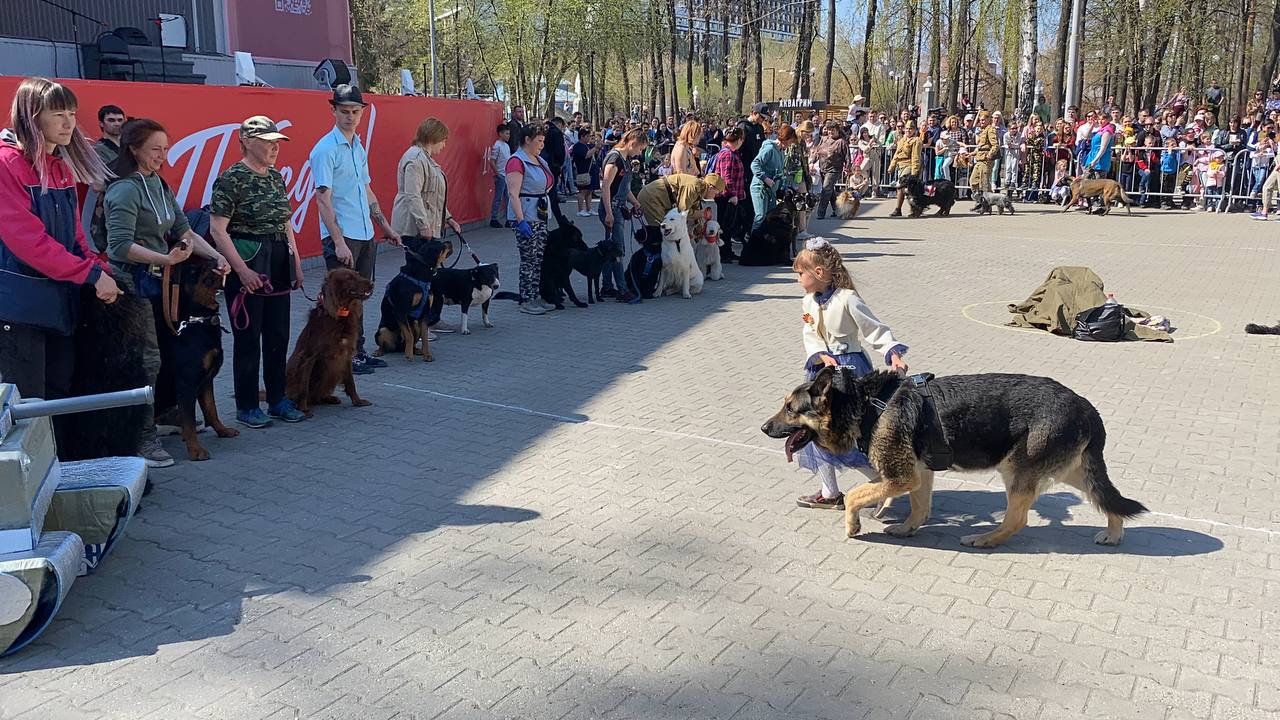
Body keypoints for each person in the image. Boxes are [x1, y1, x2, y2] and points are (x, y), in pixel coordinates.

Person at [0, 77, 120, 449]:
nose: (70, 122)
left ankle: (62, 481)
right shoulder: (6, 164)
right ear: (32, 117)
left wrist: (99, 268)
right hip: (19, 309)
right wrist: (88, 273)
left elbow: (74, 234)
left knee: (59, 393)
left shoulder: (61, 166)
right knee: (27, 404)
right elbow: (29, 243)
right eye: (59, 114)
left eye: (71, 113)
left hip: (57, 304)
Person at [104, 118, 230, 466]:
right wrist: (164, 256)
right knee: (147, 360)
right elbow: (118, 247)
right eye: (156, 149)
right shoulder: (125, 189)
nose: (163, 155)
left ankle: (168, 413)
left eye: (165, 148)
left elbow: (184, 230)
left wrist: (216, 255)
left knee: (167, 353)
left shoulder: (157, 184)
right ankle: (143, 439)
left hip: (161, 282)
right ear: (133, 149)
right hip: (131, 286)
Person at [791, 237, 907, 510]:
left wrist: (893, 352)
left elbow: (874, 329)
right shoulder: (808, 301)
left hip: (850, 370)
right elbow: (809, 332)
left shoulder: (847, 299)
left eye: (799, 273)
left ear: (818, 273)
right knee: (815, 429)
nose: (797, 279)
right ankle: (829, 492)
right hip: (821, 372)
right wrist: (818, 353)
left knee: (852, 432)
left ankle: (883, 482)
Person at [208, 116, 306, 429]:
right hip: (249, 260)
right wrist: (242, 270)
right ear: (248, 142)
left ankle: (277, 398)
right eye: (267, 141)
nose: (275, 147)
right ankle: (247, 405)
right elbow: (218, 230)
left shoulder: (275, 177)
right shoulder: (231, 178)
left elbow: (285, 222)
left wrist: (297, 262)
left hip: (278, 259)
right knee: (248, 338)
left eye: (277, 141)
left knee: (278, 334)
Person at [309, 84, 399, 376]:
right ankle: (339, 355)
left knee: (358, 298)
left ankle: (357, 351)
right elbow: (323, 198)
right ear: (333, 111)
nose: (350, 117)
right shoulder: (325, 149)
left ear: (362, 113)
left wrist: (385, 226)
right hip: (343, 235)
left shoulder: (357, 146)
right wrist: (338, 241)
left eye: (355, 111)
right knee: (339, 302)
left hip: (364, 234)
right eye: (344, 111)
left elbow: (366, 189)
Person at [506, 125, 555, 315]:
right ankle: (526, 298)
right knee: (528, 258)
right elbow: (513, 193)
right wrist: (520, 220)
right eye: (539, 141)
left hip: (540, 213)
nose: (542, 145)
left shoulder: (539, 160)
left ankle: (535, 295)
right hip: (526, 214)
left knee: (538, 258)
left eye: (543, 141)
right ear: (527, 140)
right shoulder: (516, 161)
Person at [597, 128, 646, 302]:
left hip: (618, 206)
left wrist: (635, 203)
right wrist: (609, 213)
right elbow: (606, 188)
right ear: (632, 143)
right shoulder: (614, 158)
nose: (640, 153)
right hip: (611, 208)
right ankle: (622, 289)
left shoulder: (625, 159)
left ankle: (607, 286)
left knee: (611, 250)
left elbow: (623, 188)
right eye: (640, 149)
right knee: (618, 250)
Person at [81, 104, 127, 244]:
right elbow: (97, 185)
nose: (117, 124)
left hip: (129, 207)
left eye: (120, 120)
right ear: (101, 123)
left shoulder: (130, 149)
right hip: (107, 210)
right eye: (111, 120)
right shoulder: (96, 151)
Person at [636, 172, 726, 242]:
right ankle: (652, 261)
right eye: (715, 193)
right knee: (663, 232)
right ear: (711, 187)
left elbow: (694, 210)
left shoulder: (700, 189)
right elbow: (683, 210)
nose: (714, 197)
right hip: (651, 198)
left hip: (657, 199)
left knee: (667, 233)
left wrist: (700, 230)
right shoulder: (693, 186)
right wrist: (701, 214)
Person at [749, 124, 793, 230]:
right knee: (760, 216)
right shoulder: (769, 149)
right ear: (785, 139)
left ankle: (767, 242)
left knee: (771, 216)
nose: (791, 144)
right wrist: (765, 178)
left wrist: (783, 188)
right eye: (790, 141)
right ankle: (752, 241)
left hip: (771, 190)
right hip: (760, 188)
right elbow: (755, 164)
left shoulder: (782, 152)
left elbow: (780, 172)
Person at [813, 124, 848, 220]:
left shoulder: (841, 142)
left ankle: (821, 212)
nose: (830, 132)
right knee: (830, 190)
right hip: (823, 167)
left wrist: (848, 168)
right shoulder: (824, 139)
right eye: (829, 130)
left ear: (837, 130)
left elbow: (847, 156)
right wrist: (812, 162)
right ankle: (837, 209)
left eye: (833, 130)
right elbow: (817, 152)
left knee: (826, 189)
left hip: (834, 169)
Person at [887, 121, 922, 217]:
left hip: (909, 165)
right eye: (906, 128)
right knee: (903, 189)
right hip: (900, 165)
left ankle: (908, 209)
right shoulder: (902, 140)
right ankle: (900, 209)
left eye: (910, 129)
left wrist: (914, 172)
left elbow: (916, 157)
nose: (908, 130)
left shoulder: (916, 140)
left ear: (914, 130)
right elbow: (896, 154)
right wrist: (892, 166)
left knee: (903, 187)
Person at [541, 117, 571, 226]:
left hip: (543, 164)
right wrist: (559, 166)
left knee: (547, 195)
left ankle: (558, 220)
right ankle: (558, 221)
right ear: (560, 125)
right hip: (552, 166)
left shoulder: (543, 131)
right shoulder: (556, 133)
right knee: (551, 195)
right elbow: (559, 151)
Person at [571, 128, 601, 216]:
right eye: (587, 136)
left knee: (589, 191)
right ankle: (581, 210)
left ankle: (589, 208)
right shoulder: (577, 146)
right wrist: (595, 148)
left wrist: (597, 147)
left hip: (592, 170)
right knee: (582, 191)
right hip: (583, 171)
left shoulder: (588, 145)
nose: (589, 138)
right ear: (581, 136)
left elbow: (595, 155)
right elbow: (587, 155)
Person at [489, 125, 512, 228]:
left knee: (508, 198)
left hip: (506, 175)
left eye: (509, 133)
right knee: (498, 197)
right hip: (501, 175)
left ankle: (509, 219)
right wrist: (497, 174)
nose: (508, 135)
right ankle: (494, 218)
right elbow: (492, 161)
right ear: (500, 134)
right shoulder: (497, 145)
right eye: (506, 133)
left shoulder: (506, 146)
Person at [736, 103, 768, 177]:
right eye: (762, 117)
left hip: (757, 167)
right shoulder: (743, 127)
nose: (763, 120)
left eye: (765, 118)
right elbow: (737, 148)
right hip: (745, 167)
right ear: (754, 113)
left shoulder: (760, 127)